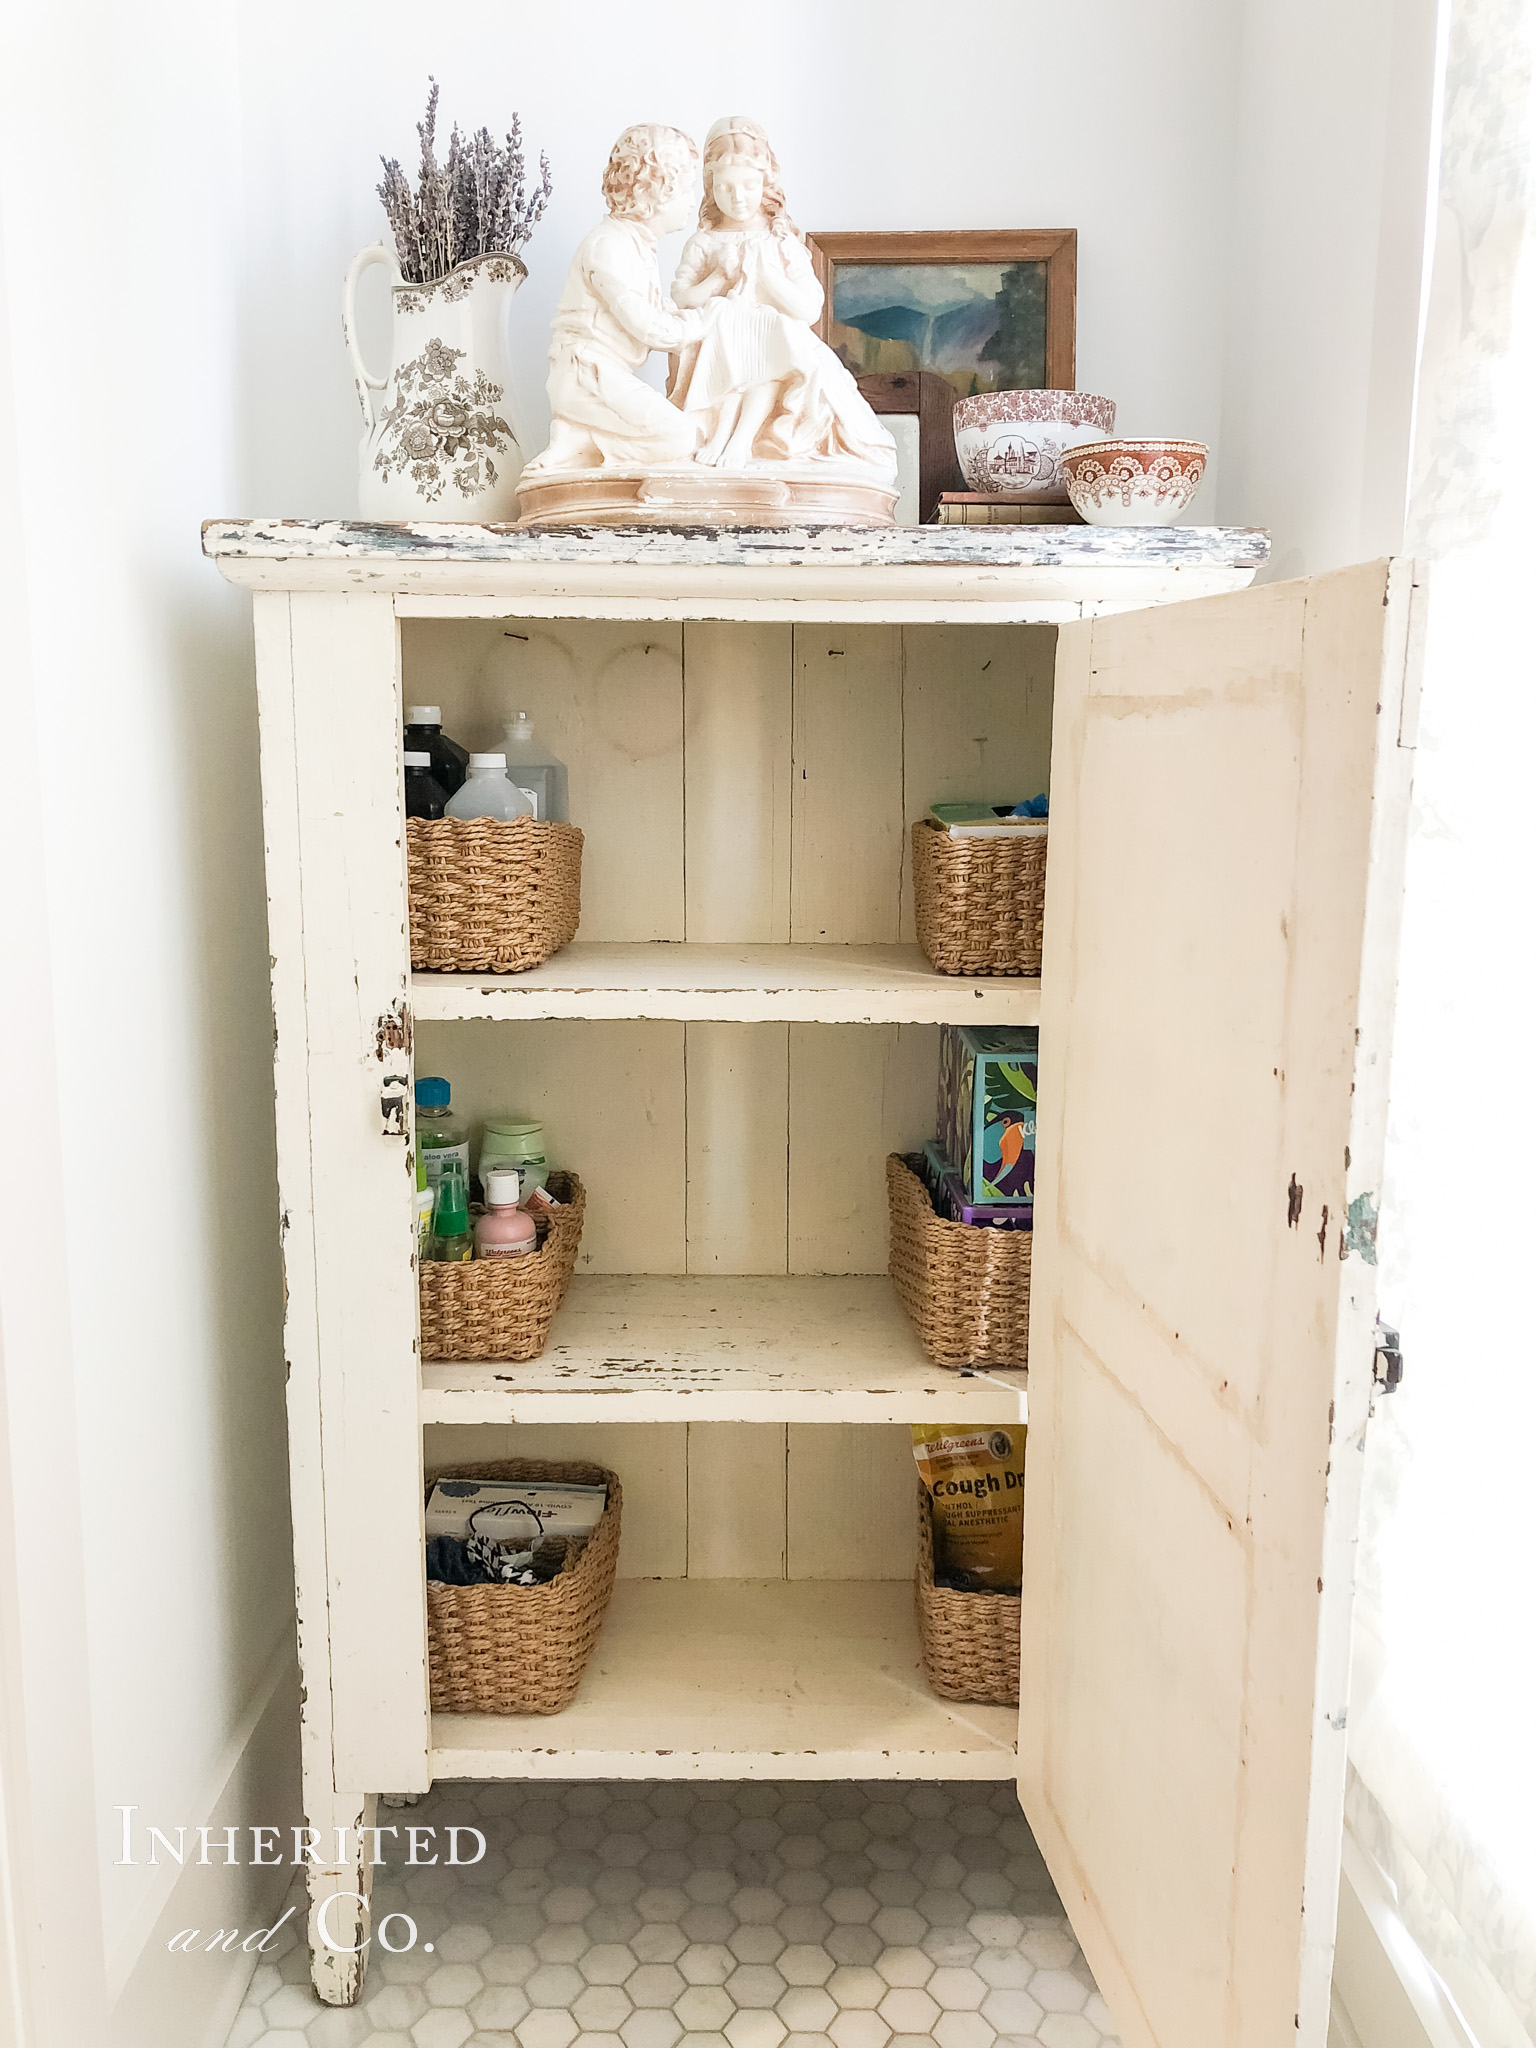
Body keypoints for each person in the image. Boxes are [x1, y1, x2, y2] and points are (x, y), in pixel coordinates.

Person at [668, 117, 895, 477]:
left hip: (771, 342)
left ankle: (742, 437)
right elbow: (681, 298)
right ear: (710, 187)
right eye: (725, 188)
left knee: (770, 334)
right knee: (727, 323)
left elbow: (807, 309)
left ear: (766, 182)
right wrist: (718, 279)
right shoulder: (705, 242)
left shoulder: (781, 241)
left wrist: (768, 277)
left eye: (748, 185)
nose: (737, 197)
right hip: (721, 335)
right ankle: (720, 432)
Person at [525, 124, 721, 474]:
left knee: (686, 434)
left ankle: (578, 436)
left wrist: (706, 299)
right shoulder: (609, 246)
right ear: (658, 193)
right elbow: (648, 327)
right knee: (682, 439)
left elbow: (657, 309)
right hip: (586, 376)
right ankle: (580, 441)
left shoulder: (637, 244)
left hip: (601, 375)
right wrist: (701, 323)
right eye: (688, 189)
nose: (694, 201)